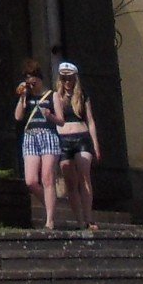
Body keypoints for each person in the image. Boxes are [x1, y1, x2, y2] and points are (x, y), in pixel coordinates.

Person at [13, 57, 61, 228]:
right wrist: (22, 98)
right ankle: (50, 205)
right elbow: (18, 117)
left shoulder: (51, 96)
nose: (31, 83)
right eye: (27, 79)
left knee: (47, 178)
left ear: (39, 78)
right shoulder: (27, 98)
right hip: (30, 136)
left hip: (48, 135)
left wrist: (51, 116)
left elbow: (61, 121)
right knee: (31, 181)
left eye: (32, 79)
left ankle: (50, 220)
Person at [53, 62, 99, 230]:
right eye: (64, 78)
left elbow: (90, 120)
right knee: (70, 183)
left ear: (75, 78)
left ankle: (89, 218)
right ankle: (79, 220)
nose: (67, 81)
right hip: (63, 140)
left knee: (85, 177)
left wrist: (95, 144)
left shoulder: (82, 95)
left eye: (70, 78)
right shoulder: (55, 97)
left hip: (82, 137)